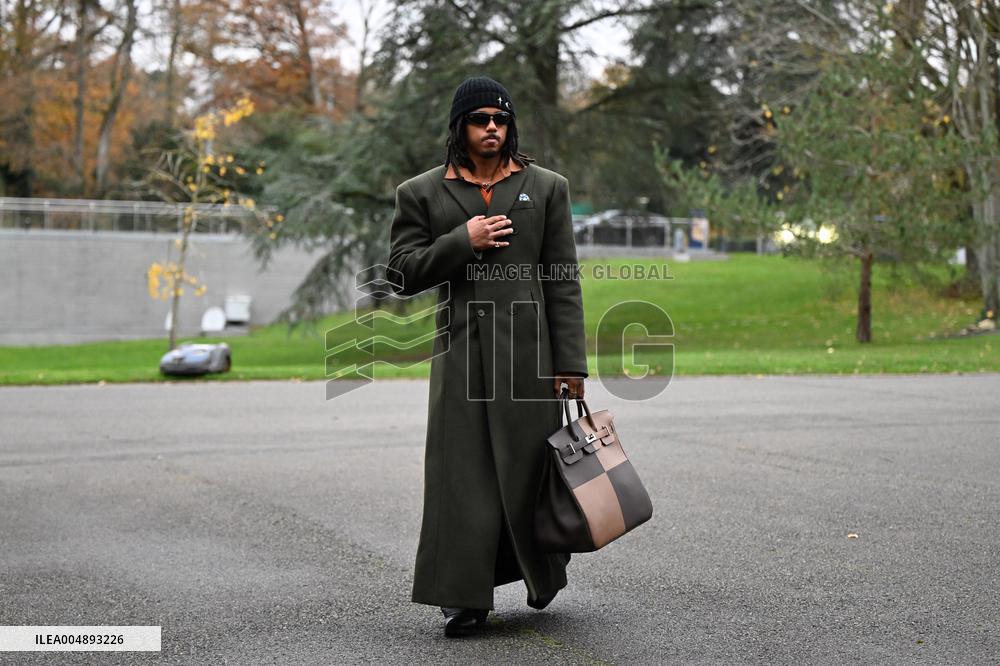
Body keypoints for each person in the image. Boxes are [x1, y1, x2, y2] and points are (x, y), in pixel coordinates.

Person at [386, 75, 588, 638]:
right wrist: (462, 241)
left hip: (531, 361)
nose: (492, 129)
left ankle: (540, 577)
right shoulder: (421, 192)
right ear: (460, 128)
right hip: (461, 362)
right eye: (480, 120)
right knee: (462, 479)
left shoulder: (547, 188)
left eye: (500, 120)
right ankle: (462, 598)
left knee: (528, 475)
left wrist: (571, 366)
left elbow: (563, 282)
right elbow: (400, 274)